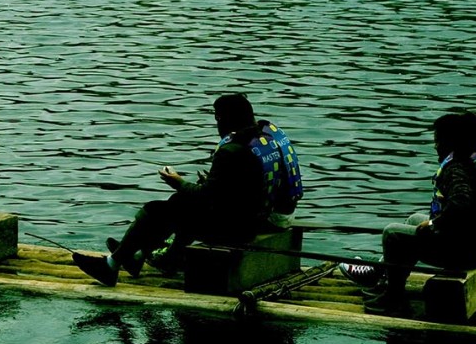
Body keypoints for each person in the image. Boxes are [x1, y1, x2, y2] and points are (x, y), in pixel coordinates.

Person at [73, 93, 303, 286]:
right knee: (178, 204)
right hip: (256, 215)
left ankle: (113, 265)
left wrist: (178, 182)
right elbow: (240, 187)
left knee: (157, 210)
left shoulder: (231, 150)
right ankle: (138, 256)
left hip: (239, 229)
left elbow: (207, 196)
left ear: (222, 118)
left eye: (217, 118)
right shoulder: (265, 139)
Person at [348, 110, 476, 316]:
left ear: (451, 141)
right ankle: (384, 276)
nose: (435, 146)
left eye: (438, 140)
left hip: (468, 253)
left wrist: (434, 225)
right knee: (414, 219)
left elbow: (461, 204)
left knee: (392, 234)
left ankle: (393, 298)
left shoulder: (459, 167)